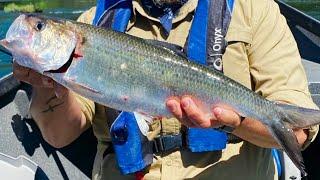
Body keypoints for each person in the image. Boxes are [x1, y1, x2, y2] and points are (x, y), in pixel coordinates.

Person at [12, 0, 319, 179]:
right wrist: (50, 85)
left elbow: (300, 135)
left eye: (40, 27)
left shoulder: (253, 10)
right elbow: (60, 135)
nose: (35, 29)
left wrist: (232, 121)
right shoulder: (94, 21)